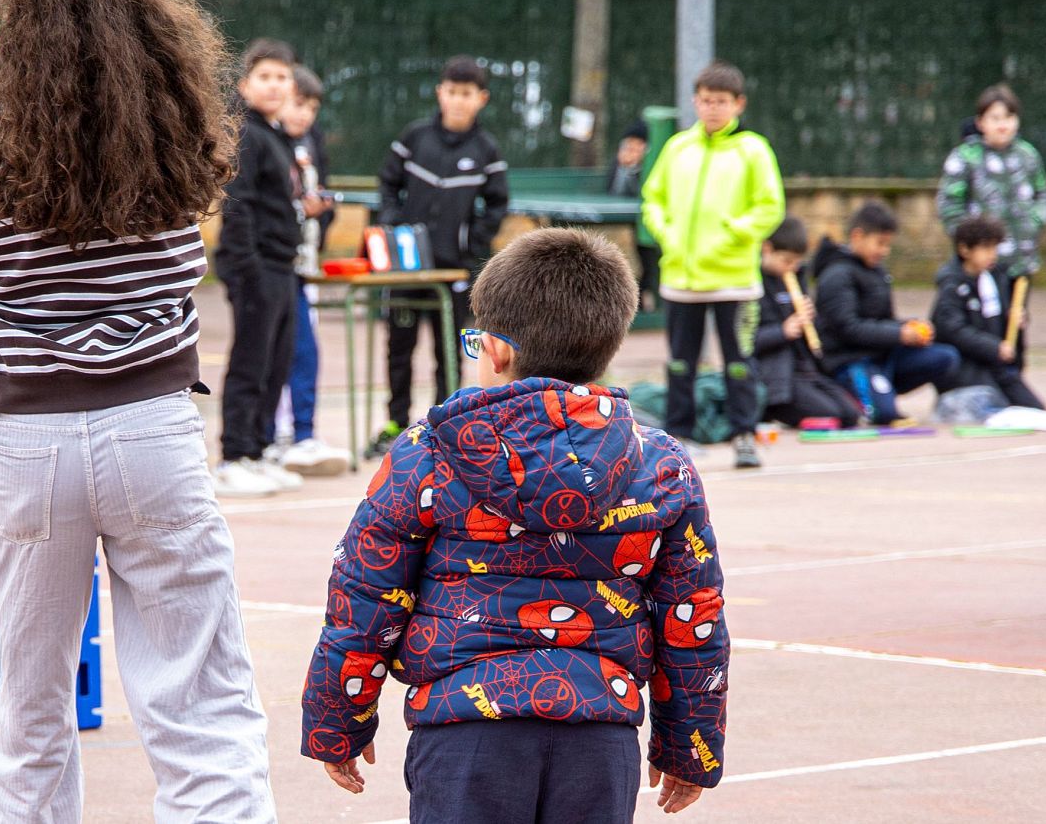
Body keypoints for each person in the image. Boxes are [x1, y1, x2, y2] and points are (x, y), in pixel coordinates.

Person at [0, 0, 274, 821]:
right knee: (200, 704)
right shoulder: (169, 135)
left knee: (29, 710)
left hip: (27, 440)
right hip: (153, 425)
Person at [301, 229, 729, 823]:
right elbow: (694, 615)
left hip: (463, 731)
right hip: (600, 733)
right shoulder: (659, 463)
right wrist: (689, 745)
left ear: (496, 352)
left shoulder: (429, 450)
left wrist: (336, 722)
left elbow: (365, 594)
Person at [641, 59, 784, 468]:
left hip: (733, 280)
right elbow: (653, 198)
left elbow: (769, 207)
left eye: (721, 101)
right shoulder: (677, 148)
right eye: (705, 101)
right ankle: (678, 436)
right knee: (680, 362)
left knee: (738, 362)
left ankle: (744, 435)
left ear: (738, 104)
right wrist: (668, 235)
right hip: (681, 279)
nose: (712, 108)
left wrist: (731, 235)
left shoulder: (753, 149)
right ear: (695, 102)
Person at [370, 55, 509, 457]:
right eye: (452, 92)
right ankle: (396, 423)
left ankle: (444, 426)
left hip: (453, 271)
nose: (458, 100)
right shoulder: (414, 137)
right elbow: (387, 184)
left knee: (447, 351)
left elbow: (497, 205)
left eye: (467, 93)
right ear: (440, 93)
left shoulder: (486, 150)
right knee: (400, 346)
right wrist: (395, 227)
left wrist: (472, 246)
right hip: (406, 272)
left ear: (481, 98)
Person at [214, 37, 307, 497]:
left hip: (283, 267)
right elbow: (238, 204)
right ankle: (233, 456)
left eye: (282, 77)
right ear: (245, 84)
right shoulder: (247, 135)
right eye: (264, 76)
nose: (274, 85)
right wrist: (248, 268)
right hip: (257, 268)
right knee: (251, 362)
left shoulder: (278, 136)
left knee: (276, 363)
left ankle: (259, 449)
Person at [814, 201, 960, 424]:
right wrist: (899, 333)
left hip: (883, 355)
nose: (885, 251)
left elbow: (883, 320)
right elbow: (849, 329)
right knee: (884, 415)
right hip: (850, 360)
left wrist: (909, 327)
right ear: (857, 236)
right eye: (880, 243)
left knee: (946, 357)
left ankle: (884, 390)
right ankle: (861, 394)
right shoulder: (837, 275)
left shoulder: (877, 271)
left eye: (888, 244)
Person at [270, 64, 347, 476]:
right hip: (272, 265)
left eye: (312, 107)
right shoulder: (266, 142)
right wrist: (299, 209)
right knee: (278, 351)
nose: (304, 114)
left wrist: (321, 212)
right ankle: (270, 437)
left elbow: (317, 197)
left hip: (304, 265)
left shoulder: (310, 142)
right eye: (299, 104)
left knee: (304, 350)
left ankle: (301, 433)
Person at [756, 216, 861, 428]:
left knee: (850, 414)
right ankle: (768, 407)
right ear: (767, 249)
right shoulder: (753, 284)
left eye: (796, 262)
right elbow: (746, 341)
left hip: (805, 368)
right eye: (787, 261)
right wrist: (783, 331)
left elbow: (814, 333)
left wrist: (811, 319)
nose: (792, 268)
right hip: (775, 374)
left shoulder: (797, 276)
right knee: (830, 414)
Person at [938, 84, 1046, 283]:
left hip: (1021, 261)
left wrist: (1034, 222)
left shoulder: (1028, 155)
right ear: (980, 122)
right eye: (995, 118)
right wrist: (969, 243)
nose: (1002, 125)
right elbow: (949, 204)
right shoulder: (965, 157)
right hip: (980, 267)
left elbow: (1042, 194)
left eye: (1008, 117)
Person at [932, 215, 1043, 409]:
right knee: (994, 407)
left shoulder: (996, 277)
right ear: (964, 249)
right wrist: (994, 347)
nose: (992, 254)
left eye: (995, 248)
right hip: (967, 364)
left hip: (996, 364)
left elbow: (1000, 321)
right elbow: (953, 329)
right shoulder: (952, 283)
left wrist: (1016, 321)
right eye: (986, 248)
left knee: (1035, 410)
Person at [607, 120, 657, 311]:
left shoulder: (655, 163)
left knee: (650, 261)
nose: (633, 149)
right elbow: (615, 192)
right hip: (629, 224)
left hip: (651, 220)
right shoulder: (619, 162)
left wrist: (638, 168)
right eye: (630, 144)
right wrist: (626, 169)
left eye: (639, 145)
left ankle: (647, 299)